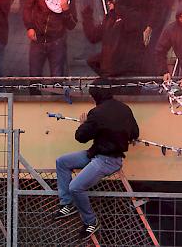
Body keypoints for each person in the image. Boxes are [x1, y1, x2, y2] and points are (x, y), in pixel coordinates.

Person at [54, 83, 139, 240]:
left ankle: (90, 222)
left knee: (76, 187)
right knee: (63, 162)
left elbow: (81, 137)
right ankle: (67, 204)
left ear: (96, 96)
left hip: (108, 160)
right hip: (97, 154)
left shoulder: (96, 112)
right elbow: (135, 132)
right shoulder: (125, 108)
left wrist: (84, 124)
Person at [82, 0, 146, 78]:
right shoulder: (110, 18)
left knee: (98, 89)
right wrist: (87, 18)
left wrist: (119, 7)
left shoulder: (134, 16)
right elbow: (93, 37)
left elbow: (131, 26)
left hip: (128, 72)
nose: (108, 2)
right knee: (95, 87)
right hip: (111, 71)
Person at [23, 0, 78, 77]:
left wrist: (66, 10)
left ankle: (56, 93)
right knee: (34, 75)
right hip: (37, 40)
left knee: (57, 76)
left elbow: (72, 25)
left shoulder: (69, 2)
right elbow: (27, 8)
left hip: (57, 42)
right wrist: (29, 27)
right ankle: (35, 93)